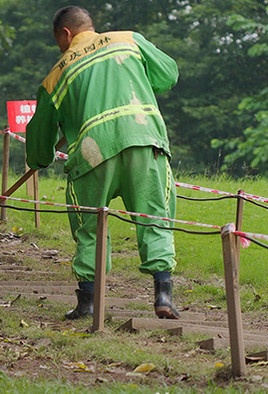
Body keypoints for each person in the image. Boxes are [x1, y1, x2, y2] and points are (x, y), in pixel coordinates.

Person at [26, 6, 181, 320]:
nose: (60, 46)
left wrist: (41, 158)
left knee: (90, 227)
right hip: (144, 141)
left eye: (58, 40)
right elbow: (168, 75)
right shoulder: (129, 40)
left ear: (66, 34)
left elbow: (40, 137)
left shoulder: (57, 74)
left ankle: (88, 303)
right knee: (154, 216)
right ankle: (163, 295)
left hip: (92, 155)